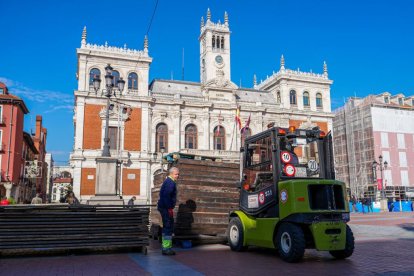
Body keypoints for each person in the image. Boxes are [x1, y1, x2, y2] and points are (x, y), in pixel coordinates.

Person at [157, 167, 179, 256]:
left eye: (178, 174)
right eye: (176, 174)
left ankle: (166, 247)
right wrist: (169, 208)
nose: (178, 176)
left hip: (164, 207)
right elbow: (166, 196)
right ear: (171, 174)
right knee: (168, 227)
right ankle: (166, 249)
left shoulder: (168, 182)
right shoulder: (170, 183)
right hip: (166, 208)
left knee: (167, 227)